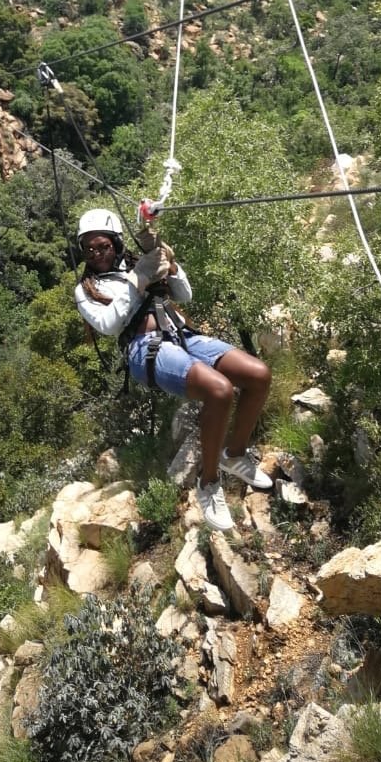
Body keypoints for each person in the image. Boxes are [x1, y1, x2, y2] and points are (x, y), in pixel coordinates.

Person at [74, 208, 273, 532]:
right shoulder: (86, 290)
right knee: (220, 391)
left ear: (116, 243)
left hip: (182, 334)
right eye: (89, 249)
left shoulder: (142, 260)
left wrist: (167, 260)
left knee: (258, 375)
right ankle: (209, 484)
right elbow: (109, 326)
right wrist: (138, 278)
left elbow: (185, 295)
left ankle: (235, 455)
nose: (97, 255)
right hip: (144, 349)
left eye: (103, 247)